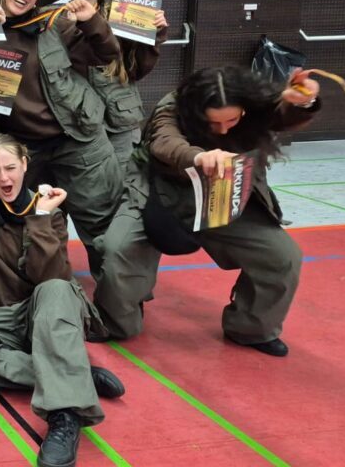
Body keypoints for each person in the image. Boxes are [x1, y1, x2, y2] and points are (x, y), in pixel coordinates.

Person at [95, 66, 320, 355]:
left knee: (282, 256)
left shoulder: (253, 101)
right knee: (119, 249)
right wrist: (199, 156)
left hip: (224, 193)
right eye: (213, 123)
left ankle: (251, 328)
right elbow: (164, 142)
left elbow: (281, 114)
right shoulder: (172, 106)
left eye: (232, 120)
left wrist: (302, 102)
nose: (224, 129)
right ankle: (116, 322)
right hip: (160, 190)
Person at [0, 135, 125, 467]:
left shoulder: (49, 211)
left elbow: (49, 275)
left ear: (25, 164)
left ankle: (64, 416)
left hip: (40, 312)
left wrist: (39, 217)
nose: (4, 178)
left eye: (11, 167)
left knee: (55, 288)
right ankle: (74, 373)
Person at [0, 0, 123, 274]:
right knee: (29, 222)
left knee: (100, 226)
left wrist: (91, 21)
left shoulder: (53, 24)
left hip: (76, 140)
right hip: (22, 149)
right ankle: (51, 288)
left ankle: (112, 301)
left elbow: (106, 54)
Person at [68, 0, 168, 174]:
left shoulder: (123, 15)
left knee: (120, 182)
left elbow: (137, 69)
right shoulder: (55, 19)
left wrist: (154, 33)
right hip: (78, 123)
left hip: (118, 122)